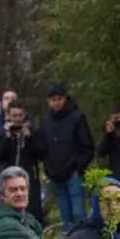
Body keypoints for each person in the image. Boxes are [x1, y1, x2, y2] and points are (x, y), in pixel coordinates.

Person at [40, 83, 93, 226]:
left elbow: (87, 146)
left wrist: (79, 168)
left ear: (65, 98)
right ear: (48, 101)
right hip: (55, 174)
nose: (56, 103)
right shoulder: (45, 120)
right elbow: (42, 146)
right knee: (65, 216)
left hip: (73, 174)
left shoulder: (77, 117)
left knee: (79, 213)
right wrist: (47, 168)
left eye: (59, 99)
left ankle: (84, 237)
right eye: (53, 100)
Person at [0, 102, 45, 223]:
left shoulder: (33, 131)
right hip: (8, 176)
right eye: (14, 116)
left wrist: (30, 137)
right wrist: (7, 137)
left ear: (25, 115)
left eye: (20, 115)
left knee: (32, 208)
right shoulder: (1, 132)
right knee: (9, 207)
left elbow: (42, 153)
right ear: (8, 115)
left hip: (29, 176)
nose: (17, 119)